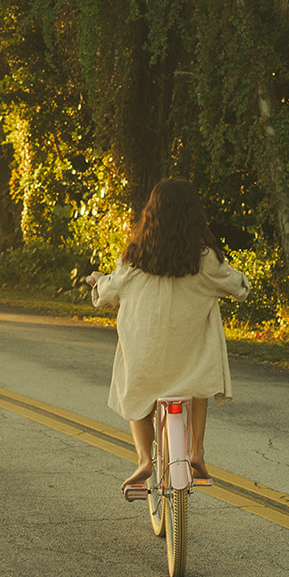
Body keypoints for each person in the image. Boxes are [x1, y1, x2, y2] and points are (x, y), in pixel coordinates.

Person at [85, 178, 251, 499]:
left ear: (151, 213)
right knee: (198, 380)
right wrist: (238, 280)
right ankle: (197, 452)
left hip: (146, 361)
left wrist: (98, 281)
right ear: (193, 215)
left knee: (136, 391)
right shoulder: (206, 259)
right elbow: (239, 288)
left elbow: (106, 294)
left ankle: (145, 459)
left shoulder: (134, 258)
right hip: (188, 361)